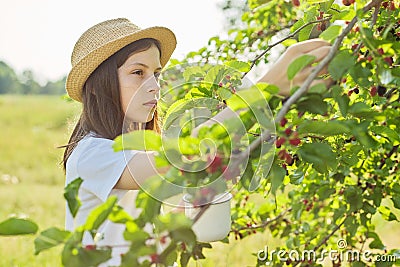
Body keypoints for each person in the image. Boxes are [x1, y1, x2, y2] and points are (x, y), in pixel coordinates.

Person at [62, 18, 331, 266]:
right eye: (138, 73)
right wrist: (262, 90)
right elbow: (184, 154)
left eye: (156, 73)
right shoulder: (91, 155)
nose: (154, 85)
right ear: (98, 85)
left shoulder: (137, 150)